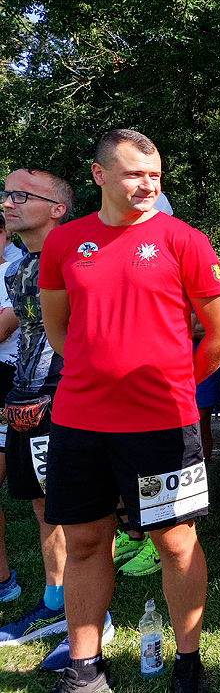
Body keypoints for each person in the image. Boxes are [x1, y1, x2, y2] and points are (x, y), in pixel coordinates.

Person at [38, 129, 220, 693]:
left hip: (161, 423)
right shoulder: (64, 243)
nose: (146, 184)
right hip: (78, 422)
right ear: (99, 176)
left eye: (154, 174)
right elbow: (59, 328)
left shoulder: (186, 240)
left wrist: (173, 384)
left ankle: (188, 662)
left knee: (175, 543)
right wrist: (91, 369)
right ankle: (85, 668)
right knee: (83, 542)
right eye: (132, 173)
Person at [0, 170, 72, 653]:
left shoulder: (78, 258)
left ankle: (83, 611)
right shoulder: (17, 269)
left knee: (75, 507)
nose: (8, 202)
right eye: (6, 193)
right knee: (42, 503)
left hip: (69, 397)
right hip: (24, 399)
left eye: (21, 195)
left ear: (57, 208)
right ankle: (54, 600)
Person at [0, 212, 24, 604]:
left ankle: (5, 581)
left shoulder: (16, 270)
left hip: (11, 386)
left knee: (42, 498)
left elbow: (5, 326)